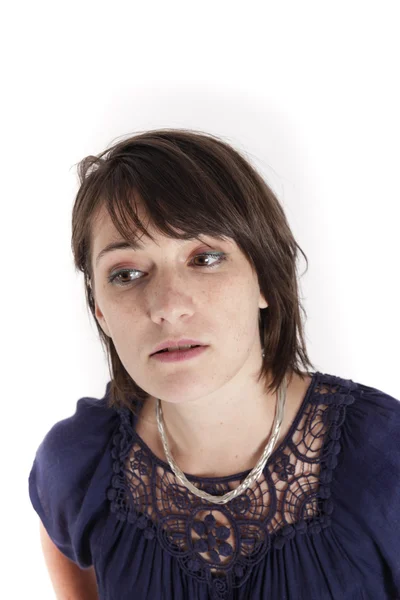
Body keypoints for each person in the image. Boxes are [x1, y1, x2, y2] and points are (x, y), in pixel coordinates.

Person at [28, 128, 400, 599]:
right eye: (126, 273)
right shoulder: (78, 464)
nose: (167, 305)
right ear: (100, 309)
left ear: (265, 277)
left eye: (204, 258)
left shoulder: (384, 455)